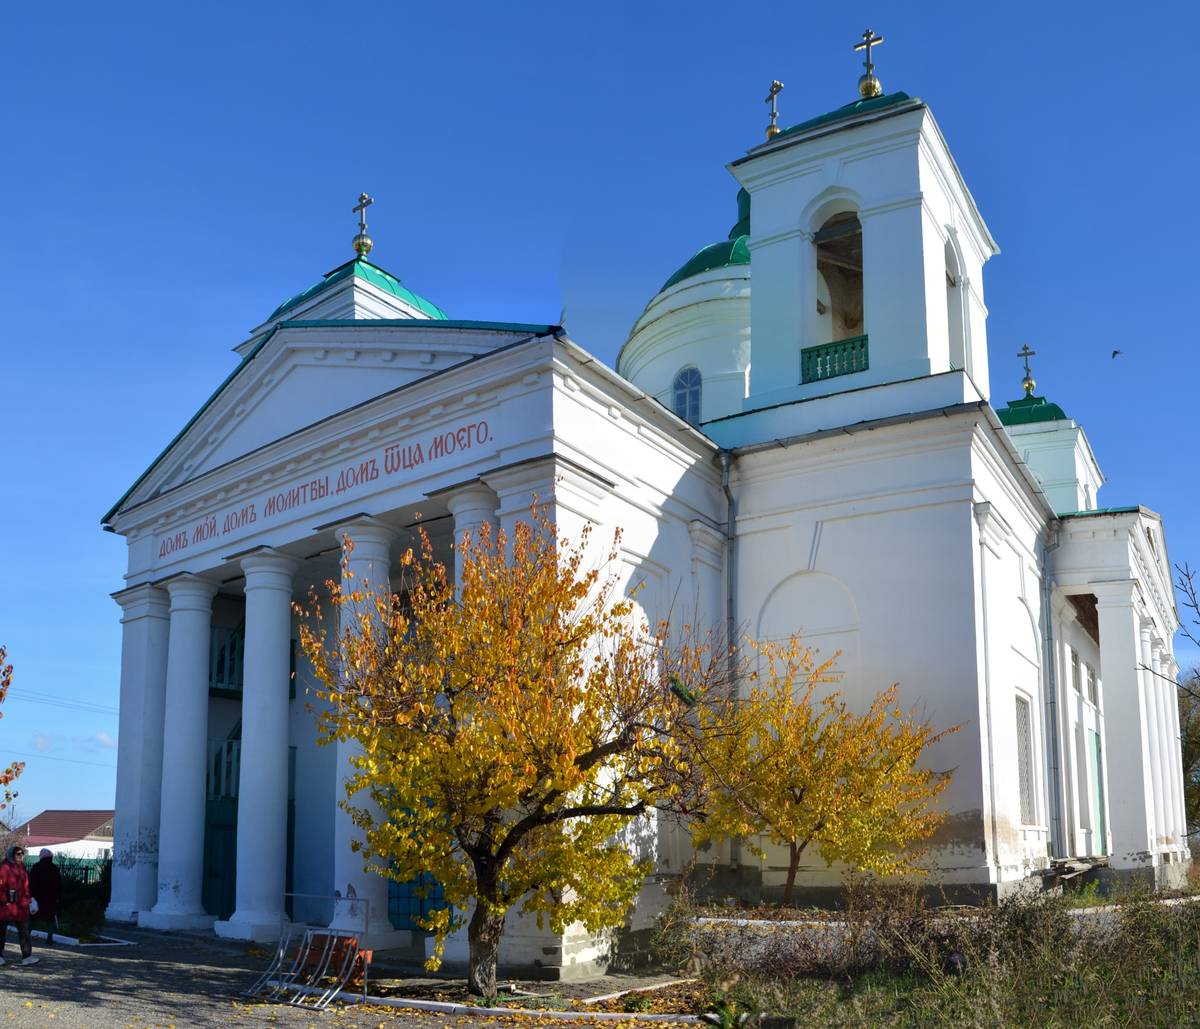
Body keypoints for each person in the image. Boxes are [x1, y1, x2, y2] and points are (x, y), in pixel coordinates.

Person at [0, 844, 39, 966]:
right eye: (18, 854)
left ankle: (27, 956)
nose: (21, 856)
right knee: (1, 931)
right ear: (12, 855)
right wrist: (4, 900)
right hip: (6, 906)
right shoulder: (4, 868)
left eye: (22, 854)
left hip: (21, 906)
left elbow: (26, 885)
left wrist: (29, 899)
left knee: (24, 932)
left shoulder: (22, 867)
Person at [28, 849, 62, 947]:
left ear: (42, 856)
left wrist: (30, 895)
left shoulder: (36, 867)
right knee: (50, 919)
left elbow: (31, 883)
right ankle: (49, 938)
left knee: (32, 917)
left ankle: (26, 937)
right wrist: (57, 897)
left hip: (37, 898)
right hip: (51, 899)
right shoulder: (55, 868)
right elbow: (59, 885)